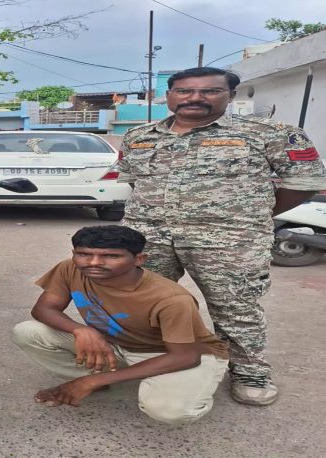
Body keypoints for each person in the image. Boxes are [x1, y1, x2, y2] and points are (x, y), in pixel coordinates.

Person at [117, 67, 326, 406]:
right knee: (144, 304)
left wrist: (250, 214)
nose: (195, 98)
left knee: (235, 309)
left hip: (229, 241)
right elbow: (134, 182)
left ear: (230, 96)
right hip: (148, 237)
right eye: (184, 91)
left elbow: (303, 183)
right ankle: (151, 361)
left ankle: (249, 373)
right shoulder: (139, 136)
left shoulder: (269, 133)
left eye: (210, 91)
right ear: (169, 96)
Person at [12, 225, 229, 425]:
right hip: (116, 344)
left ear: (139, 259)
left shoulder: (171, 299)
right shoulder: (70, 269)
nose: (93, 262)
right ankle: (103, 378)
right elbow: (43, 309)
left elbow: (185, 356)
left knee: (169, 411)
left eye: (110, 256)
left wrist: (91, 381)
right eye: (84, 254)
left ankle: (195, 388)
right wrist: (81, 330)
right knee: (28, 332)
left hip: (178, 354)